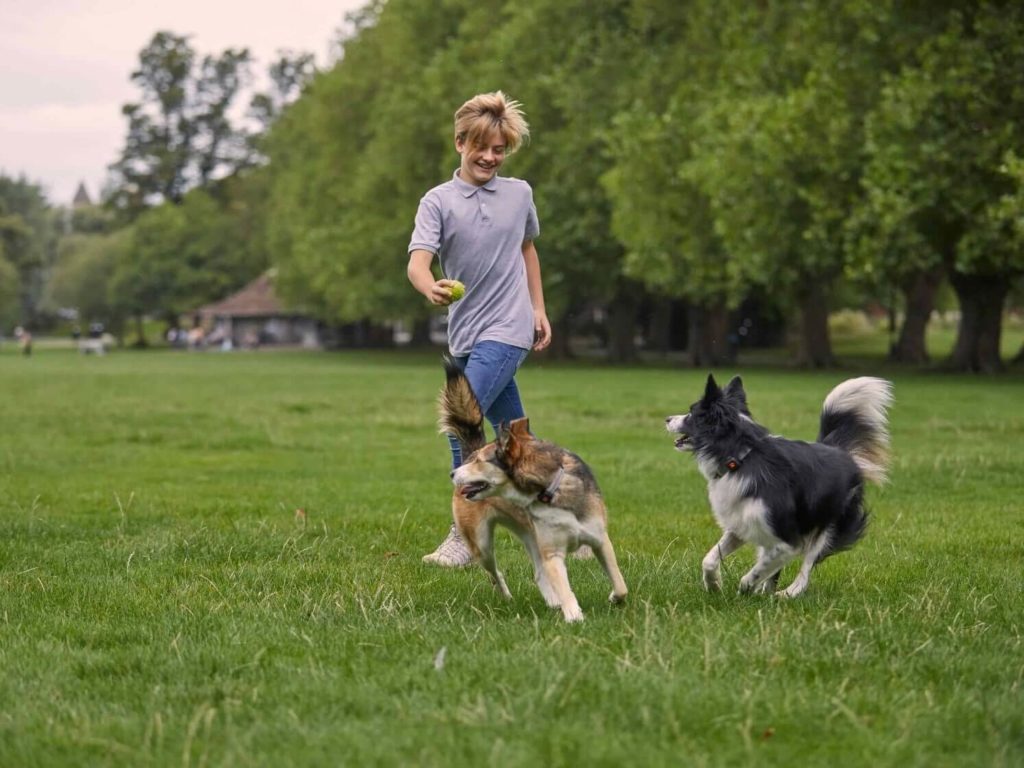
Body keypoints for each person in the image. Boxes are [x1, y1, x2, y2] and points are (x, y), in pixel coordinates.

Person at [407, 91, 552, 567]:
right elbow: (418, 263)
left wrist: (538, 309)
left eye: (499, 149)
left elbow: (527, 250)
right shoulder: (438, 201)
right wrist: (430, 288)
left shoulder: (520, 194)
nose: (490, 157)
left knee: (462, 421)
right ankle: (545, 507)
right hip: (465, 332)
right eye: (481, 147)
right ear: (460, 143)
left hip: (509, 327)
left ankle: (463, 536)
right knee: (513, 434)